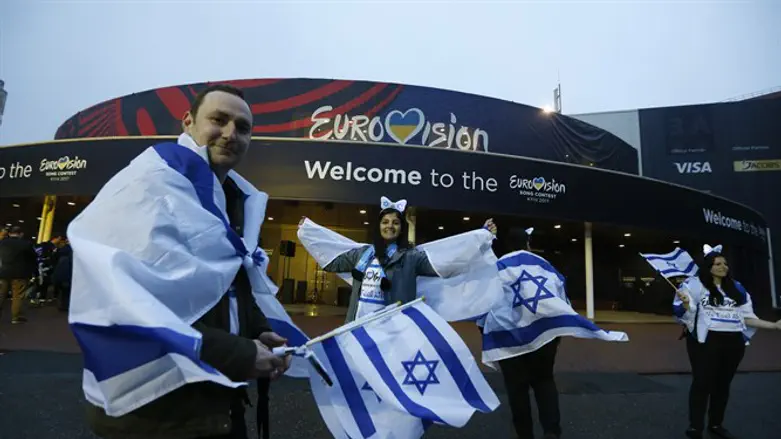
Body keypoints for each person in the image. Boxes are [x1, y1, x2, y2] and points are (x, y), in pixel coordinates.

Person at [69, 84, 291, 439]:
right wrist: (239, 353)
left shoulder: (232, 200)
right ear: (188, 121)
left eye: (243, 127)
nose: (231, 134)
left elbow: (223, 283)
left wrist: (255, 328)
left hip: (214, 404)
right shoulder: (148, 186)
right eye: (218, 120)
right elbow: (127, 304)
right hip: (156, 414)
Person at [297, 196, 498, 323]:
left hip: (394, 327)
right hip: (359, 325)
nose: (389, 226)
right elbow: (333, 261)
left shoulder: (412, 257)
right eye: (385, 222)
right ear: (378, 226)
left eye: (395, 223)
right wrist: (308, 232)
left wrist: (479, 238)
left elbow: (445, 261)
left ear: (401, 228)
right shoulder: (363, 253)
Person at [675, 244, 781, 439]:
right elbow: (683, 315)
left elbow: (747, 318)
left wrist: (774, 326)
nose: (723, 266)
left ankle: (716, 424)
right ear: (708, 267)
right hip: (705, 341)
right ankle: (695, 427)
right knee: (702, 383)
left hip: (733, 342)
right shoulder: (694, 285)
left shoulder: (737, 288)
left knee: (722, 385)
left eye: (725, 263)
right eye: (717, 264)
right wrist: (686, 303)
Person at [0, 226, 38, 324]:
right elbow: (33, 259)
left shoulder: (2, 242)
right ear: (21, 234)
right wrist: (34, 273)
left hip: (3, 272)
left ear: (9, 233)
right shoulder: (26, 244)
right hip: (20, 274)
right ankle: (16, 317)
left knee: (1, 294)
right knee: (18, 296)